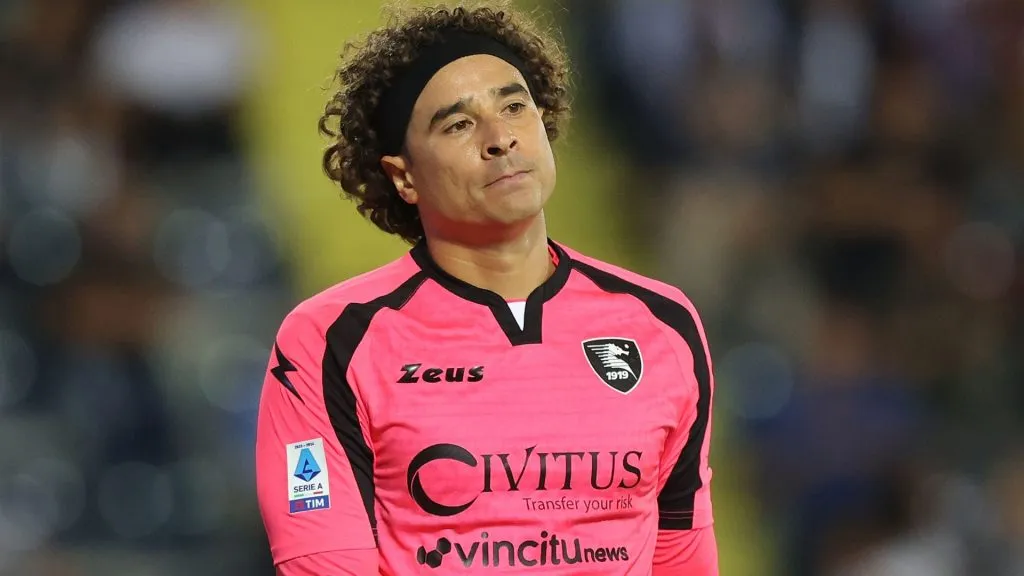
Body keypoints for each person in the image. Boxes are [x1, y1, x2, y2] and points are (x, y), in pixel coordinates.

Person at [255, 3, 719, 574]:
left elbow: (681, 555)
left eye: (514, 107)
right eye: (458, 124)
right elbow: (322, 563)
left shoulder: (662, 323)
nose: (500, 138)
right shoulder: (330, 340)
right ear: (403, 176)